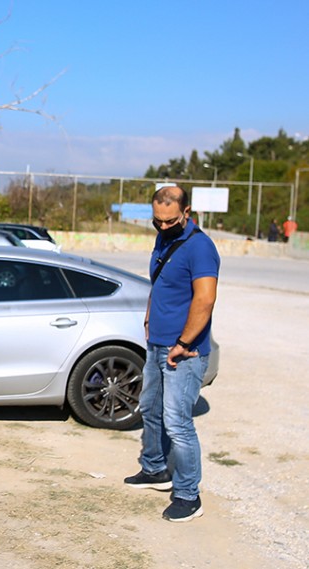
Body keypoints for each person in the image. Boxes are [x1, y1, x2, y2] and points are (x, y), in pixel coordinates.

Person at [124, 185, 219, 523]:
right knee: (150, 409)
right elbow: (160, 283)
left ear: (186, 212)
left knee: (178, 423)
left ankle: (188, 495)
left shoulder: (201, 248)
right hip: (157, 343)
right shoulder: (164, 238)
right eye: (157, 222)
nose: (162, 227)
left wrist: (183, 342)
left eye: (169, 222)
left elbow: (205, 300)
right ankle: (154, 469)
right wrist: (150, 317)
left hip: (184, 350)